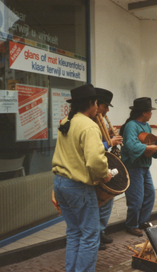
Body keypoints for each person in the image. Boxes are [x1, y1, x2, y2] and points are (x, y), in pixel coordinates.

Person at [52, 84, 112, 272]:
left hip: (60, 183)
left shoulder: (65, 122)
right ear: (90, 103)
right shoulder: (89, 126)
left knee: (74, 232)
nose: (98, 108)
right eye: (96, 104)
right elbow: (95, 160)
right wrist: (105, 174)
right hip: (78, 186)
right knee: (90, 234)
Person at [120, 97, 157, 236]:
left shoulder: (146, 126)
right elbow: (131, 146)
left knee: (149, 194)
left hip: (144, 167)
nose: (151, 114)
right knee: (136, 198)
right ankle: (131, 225)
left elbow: (151, 146)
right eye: (150, 111)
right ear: (144, 113)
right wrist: (147, 148)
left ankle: (142, 221)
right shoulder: (131, 125)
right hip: (133, 167)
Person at [95, 88, 123, 250]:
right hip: (96, 167)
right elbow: (92, 148)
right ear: (96, 105)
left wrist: (112, 141)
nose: (107, 110)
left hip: (105, 163)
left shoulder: (102, 121)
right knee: (98, 201)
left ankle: (101, 230)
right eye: (105, 106)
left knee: (107, 200)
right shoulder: (90, 124)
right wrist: (109, 143)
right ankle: (95, 235)